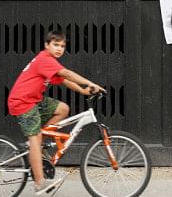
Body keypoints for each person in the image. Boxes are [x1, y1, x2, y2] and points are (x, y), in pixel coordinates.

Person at [7, 30, 104, 195]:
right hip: (22, 102)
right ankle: (39, 182)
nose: (59, 49)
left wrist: (84, 91)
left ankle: (37, 143)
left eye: (62, 46)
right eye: (56, 45)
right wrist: (90, 83)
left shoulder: (49, 61)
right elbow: (67, 73)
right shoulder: (44, 59)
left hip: (35, 100)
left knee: (63, 109)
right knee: (35, 138)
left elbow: (64, 80)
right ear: (46, 45)